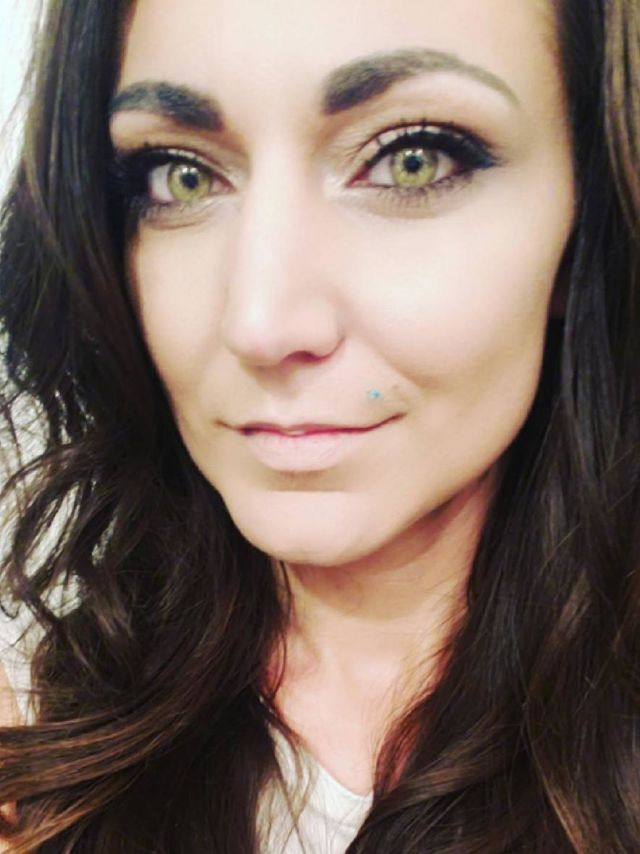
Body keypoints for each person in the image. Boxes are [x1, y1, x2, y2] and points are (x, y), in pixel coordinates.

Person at [0, 0, 638, 850]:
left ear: (585, 214)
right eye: (179, 176)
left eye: (413, 160)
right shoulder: (41, 726)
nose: (261, 324)